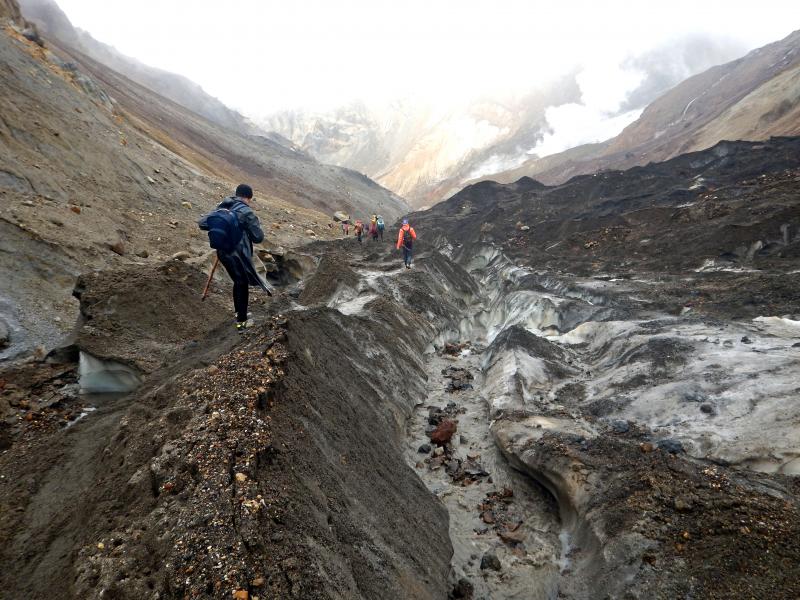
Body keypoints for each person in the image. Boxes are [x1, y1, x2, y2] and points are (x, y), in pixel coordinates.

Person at [198, 184, 271, 332]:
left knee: (238, 281)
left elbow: (203, 223)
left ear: (237, 194)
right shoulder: (246, 211)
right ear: (248, 198)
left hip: (222, 252)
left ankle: (239, 313)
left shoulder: (223, 205)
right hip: (237, 254)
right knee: (242, 283)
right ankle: (242, 323)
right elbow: (258, 237)